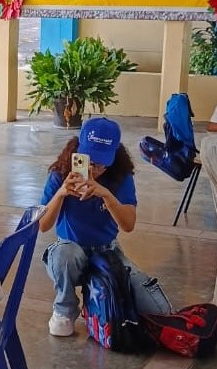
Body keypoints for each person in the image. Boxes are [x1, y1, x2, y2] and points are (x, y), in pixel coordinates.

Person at [38, 117, 171, 337]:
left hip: (107, 251)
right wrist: (61, 193)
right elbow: (42, 225)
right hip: (70, 249)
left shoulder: (121, 177)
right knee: (65, 253)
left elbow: (128, 225)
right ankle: (64, 309)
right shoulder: (60, 174)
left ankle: (98, 295)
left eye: (101, 163)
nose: (94, 168)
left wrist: (106, 195)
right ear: (78, 150)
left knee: (158, 310)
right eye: (88, 160)